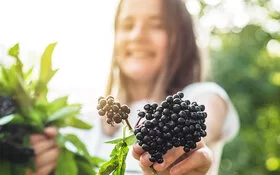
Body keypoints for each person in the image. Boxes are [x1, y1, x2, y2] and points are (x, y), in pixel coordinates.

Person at [28, 0, 240, 174]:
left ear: (181, 37)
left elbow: (205, 116)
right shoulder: (86, 125)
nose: (138, 35)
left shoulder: (203, 94)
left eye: (157, 25)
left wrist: (176, 146)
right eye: (128, 25)